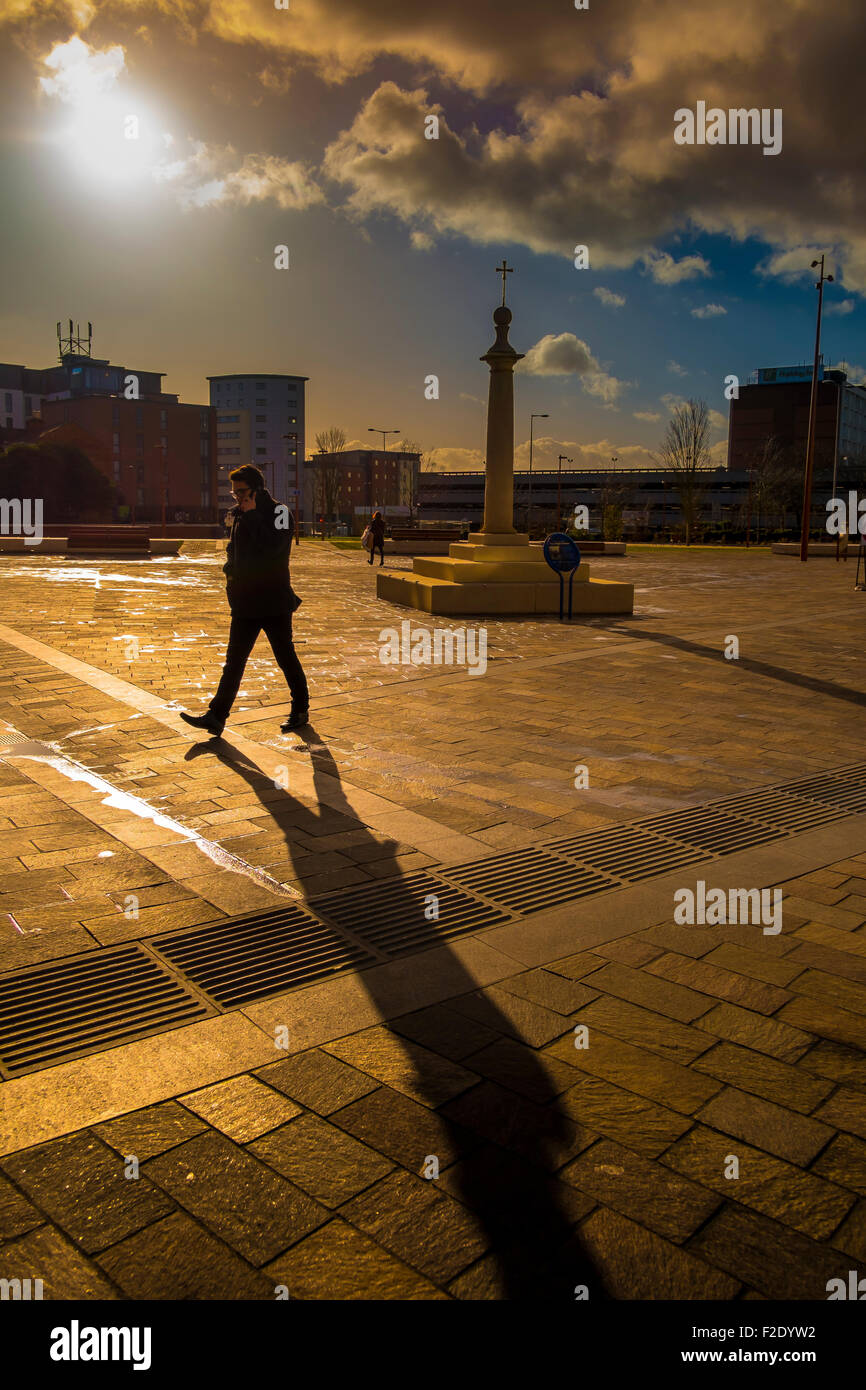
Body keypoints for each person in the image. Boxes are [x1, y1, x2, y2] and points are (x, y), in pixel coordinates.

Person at [180, 465, 309, 737]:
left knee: (285, 658)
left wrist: (251, 516)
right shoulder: (239, 514)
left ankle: (300, 710)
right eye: (234, 492)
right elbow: (233, 551)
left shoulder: (281, 513)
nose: (237, 497)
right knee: (234, 661)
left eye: (242, 491)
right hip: (245, 604)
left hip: (274, 602)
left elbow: (273, 549)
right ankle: (216, 717)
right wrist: (230, 577)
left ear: (256, 489)